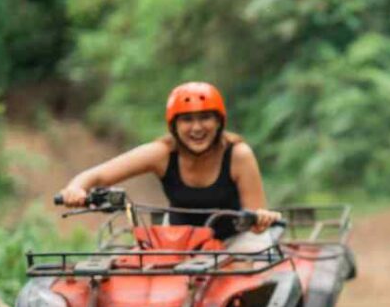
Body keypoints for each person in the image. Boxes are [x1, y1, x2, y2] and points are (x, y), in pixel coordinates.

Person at [58, 81, 281, 240]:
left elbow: (256, 222)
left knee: (251, 279)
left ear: (219, 122)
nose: (196, 128)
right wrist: (75, 188)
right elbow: (98, 175)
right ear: (173, 126)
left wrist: (260, 219)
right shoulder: (162, 153)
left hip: (235, 241)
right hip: (178, 241)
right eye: (187, 120)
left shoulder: (238, 154)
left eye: (205, 118)